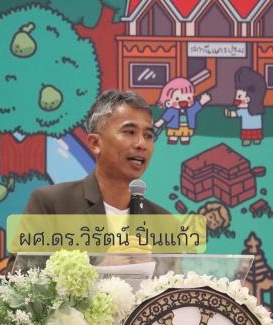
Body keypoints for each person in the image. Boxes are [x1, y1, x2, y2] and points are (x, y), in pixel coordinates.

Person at [13, 90, 179, 274]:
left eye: (148, 136)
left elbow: (181, 287)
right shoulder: (52, 204)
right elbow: (19, 282)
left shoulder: (164, 222)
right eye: (129, 132)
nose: (141, 144)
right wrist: (98, 273)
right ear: (95, 143)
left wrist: (153, 274)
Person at [225, 67, 266, 146]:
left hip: (253, 128)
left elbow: (235, 114)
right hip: (247, 129)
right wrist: (229, 113)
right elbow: (236, 113)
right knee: (248, 137)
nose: (236, 99)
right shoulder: (244, 110)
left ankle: (255, 139)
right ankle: (249, 140)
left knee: (255, 135)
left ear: (248, 98)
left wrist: (229, 113)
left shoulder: (254, 110)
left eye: (239, 96)